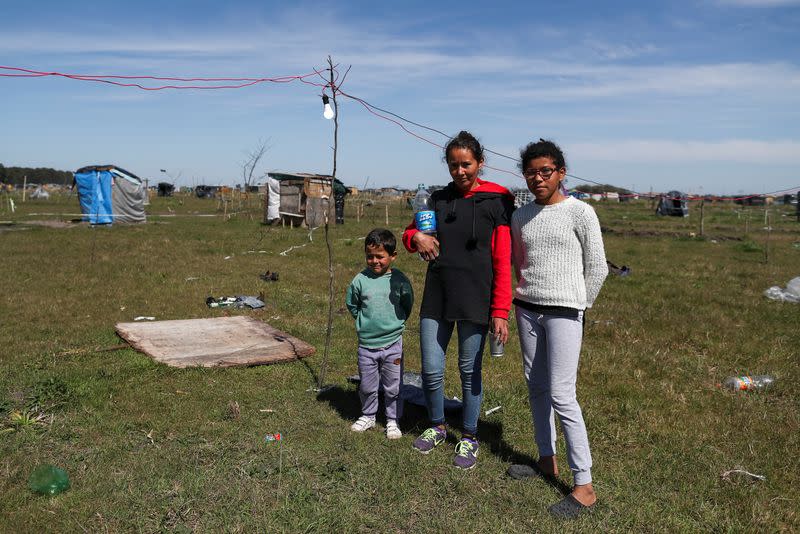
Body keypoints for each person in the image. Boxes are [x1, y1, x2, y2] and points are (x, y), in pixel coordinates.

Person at [402, 131, 514, 469]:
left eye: (466, 164)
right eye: (454, 165)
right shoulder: (436, 200)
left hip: (476, 297)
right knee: (431, 370)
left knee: (469, 371)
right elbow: (409, 234)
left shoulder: (497, 202)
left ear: (480, 163)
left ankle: (469, 436)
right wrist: (417, 237)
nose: (460, 171)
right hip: (437, 295)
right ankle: (436, 426)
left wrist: (500, 310)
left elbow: (503, 261)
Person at [510, 139, 608, 518]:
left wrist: (580, 307)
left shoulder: (580, 212)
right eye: (531, 172)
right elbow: (521, 261)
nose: (538, 178)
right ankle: (546, 459)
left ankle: (583, 485)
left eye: (545, 171)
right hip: (527, 309)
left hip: (565, 312)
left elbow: (597, 266)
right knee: (535, 386)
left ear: (561, 173)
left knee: (563, 395)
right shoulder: (521, 215)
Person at [346, 228, 414, 439]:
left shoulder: (399, 280)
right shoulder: (359, 280)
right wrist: (363, 322)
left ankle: (393, 420)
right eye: (370, 256)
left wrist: (396, 322)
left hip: (393, 343)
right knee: (367, 385)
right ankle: (368, 415)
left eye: (380, 256)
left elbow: (407, 303)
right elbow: (352, 304)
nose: (375, 261)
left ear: (393, 256)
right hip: (366, 344)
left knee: (393, 386)